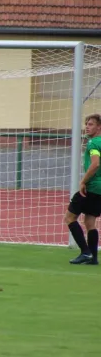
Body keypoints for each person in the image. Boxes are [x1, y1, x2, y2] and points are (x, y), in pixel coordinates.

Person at [65, 113, 101, 265]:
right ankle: (93, 258)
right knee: (90, 221)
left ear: (99, 127)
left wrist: (83, 181)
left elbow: (95, 164)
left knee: (69, 218)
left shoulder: (93, 144)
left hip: (92, 186)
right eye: (86, 123)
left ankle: (85, 252)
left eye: (91, 124)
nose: (87, 126)